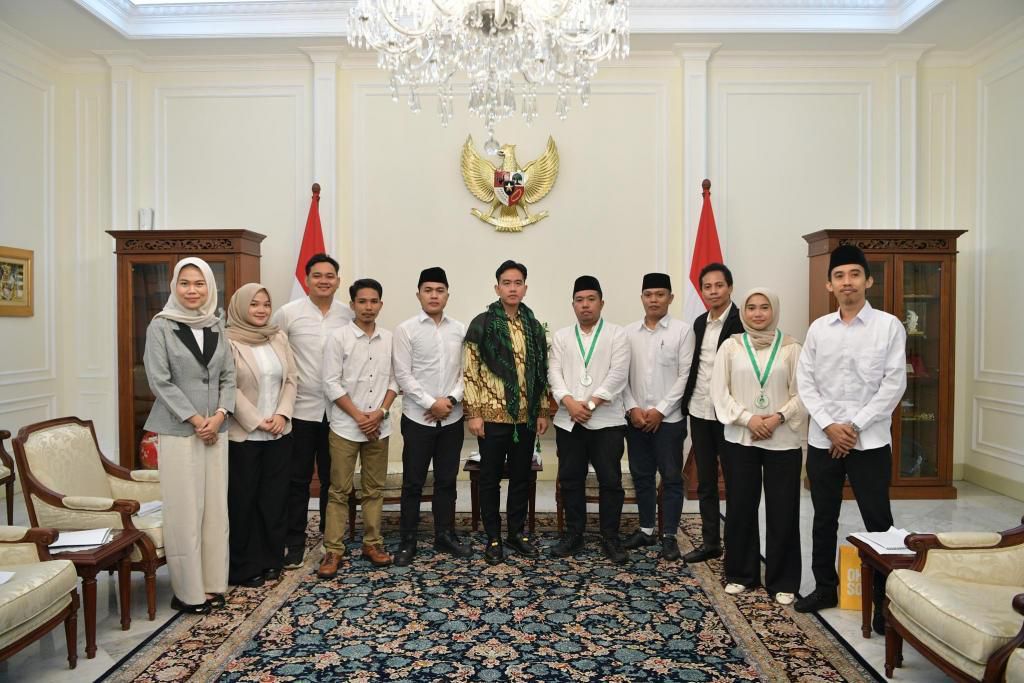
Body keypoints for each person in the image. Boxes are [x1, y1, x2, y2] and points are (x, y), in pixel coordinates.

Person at [794, 245, 906, 634]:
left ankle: (882, 603)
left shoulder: (888, 326)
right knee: (823, 517)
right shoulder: (818, 329)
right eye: (839, 276)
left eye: (854, 275)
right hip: (824, 439)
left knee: (879, 521)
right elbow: (805, 381)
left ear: (868, 280)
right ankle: (825, 588)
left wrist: (853, 427)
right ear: (829, 284)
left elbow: (893, 384)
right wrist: (829, 426)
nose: (847, 282)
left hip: (869, 441)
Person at [143, 257, 235, 614]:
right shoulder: (161, 326)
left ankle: (212, 584)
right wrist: (197, 420)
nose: (192, 290)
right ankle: (187, 592)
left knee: (215, 511)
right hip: (180, 430)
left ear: (209, 287)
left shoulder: (216, 324)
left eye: (199, 283)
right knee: (185, 511)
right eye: (185, 283)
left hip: (216, 429)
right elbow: (159, 380)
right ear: (174, 287)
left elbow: (229, 376)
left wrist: (220, 415)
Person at [711, 288, 806, 605]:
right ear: (743, 312)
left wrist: (778, 417)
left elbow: (804, 393)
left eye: (764, 307)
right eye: (751, 307)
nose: (758, 313)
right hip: (742, 438)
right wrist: (748, 419)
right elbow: (719, 392)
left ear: (774, 311)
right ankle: (741, 574)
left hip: (783, 438)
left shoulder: (791, 348)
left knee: (783, 509)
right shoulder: (731, 347)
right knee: (740, 506)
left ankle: (784, 580)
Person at [463, 260, 550, 565]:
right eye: (506, 283)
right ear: (497, 287)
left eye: (518, 283)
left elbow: (541, 371)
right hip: (490, 418)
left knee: (521, 478)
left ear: (525, 288)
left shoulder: (533, 326)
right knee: (489, 480)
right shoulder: (482, 324)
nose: (512, 288)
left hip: (525, 418)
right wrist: (473, 413)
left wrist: (541, 410)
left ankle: (515, 533)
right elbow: (470, 372)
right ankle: (493, 537)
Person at [272, 253, 353, 570]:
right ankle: (294, 542)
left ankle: (331, 539)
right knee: (298, 480)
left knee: (335, 480)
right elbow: (274, 354)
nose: (323, 281)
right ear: (306, 280)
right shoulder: (288, 314)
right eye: (317, 275)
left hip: (338, 412)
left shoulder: (347, 314)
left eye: (329, 276)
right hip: (300, 410)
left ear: (338, 280)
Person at [318, 278, 399, 577]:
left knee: (374, 489)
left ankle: (372, 543)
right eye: (362, 301)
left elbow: (395, 380)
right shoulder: (338, 338)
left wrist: (380, 413)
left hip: (379, 425)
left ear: (381, 304)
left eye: (374, 301)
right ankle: (333, 550)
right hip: (345, 427)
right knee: (339, 490)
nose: (368, 307)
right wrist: (359, 417)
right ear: (352, 304)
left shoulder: (389, 338)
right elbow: (330, 383)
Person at [392, 267, 472, 566]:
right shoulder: (406, 330)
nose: (434, 296)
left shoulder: (460, 329)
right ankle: (408, 540)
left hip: (451, 417)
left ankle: (445, 535)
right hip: (418, 418)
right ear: (419, 295)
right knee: (413, 483)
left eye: (439, 290)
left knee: (446, 481)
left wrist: (449, 401)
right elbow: (403, 374)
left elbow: (468, 372)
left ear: (447, 295)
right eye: (428, 290)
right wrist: (430, 403)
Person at [548, 276, 631, 564]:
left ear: (601, 303)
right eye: (580, 300)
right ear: (573, 305)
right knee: (571, 480)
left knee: (610, 480)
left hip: (607, 422)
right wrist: (570, 403)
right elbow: (554, 374)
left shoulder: (617, 334)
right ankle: (574, 534)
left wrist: (592, 403)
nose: (585, 305)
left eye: (591, 299)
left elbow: (618, 374)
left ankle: (610, 537)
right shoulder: (562, 337)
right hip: (569, 420)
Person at [224, 283, 298, 588]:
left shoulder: (277, 336)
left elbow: (291, 378)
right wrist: (257, 421)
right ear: (241, 306)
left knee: (274, 500)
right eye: (254, 304)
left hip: (279, 433)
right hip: (244, 435)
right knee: (243, 502)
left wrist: (282, 414)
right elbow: (228, 386)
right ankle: (244, 566)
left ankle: (271, 560)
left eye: (266, 304)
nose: (261, 310)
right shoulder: (227, 340)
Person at [622, 273, 694, 562]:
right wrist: (632, 408)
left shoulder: (682, 331)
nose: (654, 300)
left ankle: (669, 536)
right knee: (641, 475)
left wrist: (661, 410)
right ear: (642, 298)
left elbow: (685, 376)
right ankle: (646, 529)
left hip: (669, 420)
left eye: (660, 294)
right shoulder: (628, 333)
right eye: (649, 294)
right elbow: (621, 376)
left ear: (670, 298)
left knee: (672, 477)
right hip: (636, 419)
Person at [681, 262, 744, 564]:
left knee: (734, 481)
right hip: (699, 409)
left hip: (728, 413)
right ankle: (710, 543)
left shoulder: (741, 321)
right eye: (707, 287)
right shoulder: (698, 323)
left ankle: (736, 544)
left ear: (730, 287)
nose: (713, 291)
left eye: (719, 285)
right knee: (705, 480)